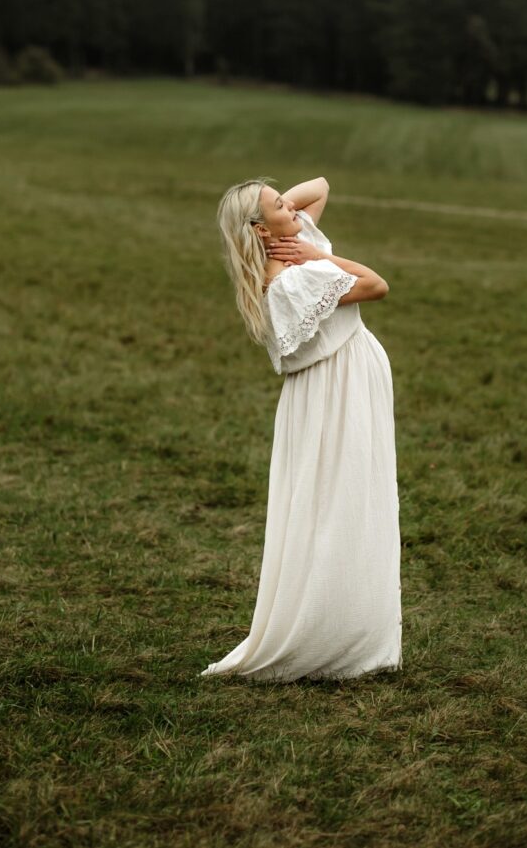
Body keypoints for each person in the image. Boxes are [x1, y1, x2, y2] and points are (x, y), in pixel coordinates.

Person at [200, 176, 402, 682]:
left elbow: (321, 187)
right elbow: (377, 285)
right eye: (279, 208)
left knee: (353, 501)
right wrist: (317, 256)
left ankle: (353, 622)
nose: (294, 209)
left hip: (342, 385)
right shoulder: (294, 278)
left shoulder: (289, 242)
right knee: (336, 505)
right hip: (336, 393)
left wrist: (278, 211)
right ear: (262, 232)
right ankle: (333, 634)